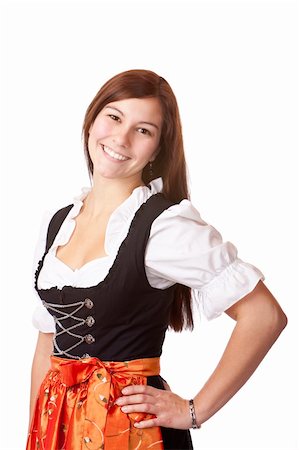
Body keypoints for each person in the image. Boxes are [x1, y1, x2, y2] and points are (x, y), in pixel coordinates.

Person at [27, 69, 287, 450]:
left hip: (131, 432)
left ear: (157, 149)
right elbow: (46, 343)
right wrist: (36, 432)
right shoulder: (57, 224)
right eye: (114, 117)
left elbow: (265, 316)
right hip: (58, 427)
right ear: (92, 119)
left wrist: (194, 410)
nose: (121, 137)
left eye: (143, 130)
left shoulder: (165, 226)